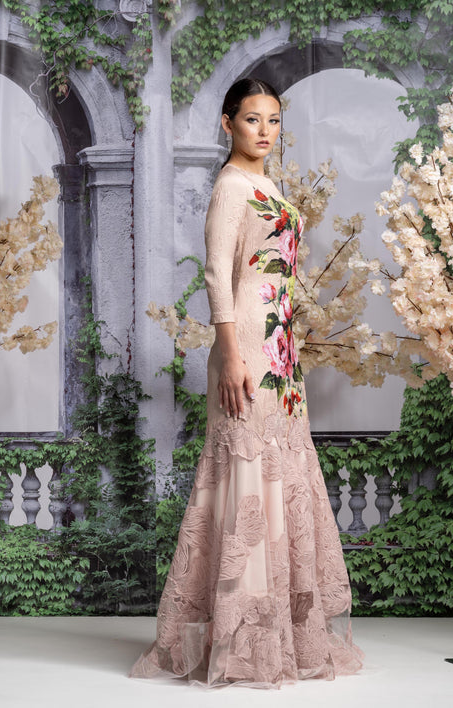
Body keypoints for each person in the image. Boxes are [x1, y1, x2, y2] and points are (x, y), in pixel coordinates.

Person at [128, 77, 364, 689]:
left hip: (280, 356)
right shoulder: (230, 189)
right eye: (253, 119)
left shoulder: (268, 187)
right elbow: (216, 275)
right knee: (246, 479)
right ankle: (240, 642)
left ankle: (280, 637)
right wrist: (231, 355)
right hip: (246, 353)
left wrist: (281, 349)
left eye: (275, 120)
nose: (265, 130)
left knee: (280, 477)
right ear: (227, 123)